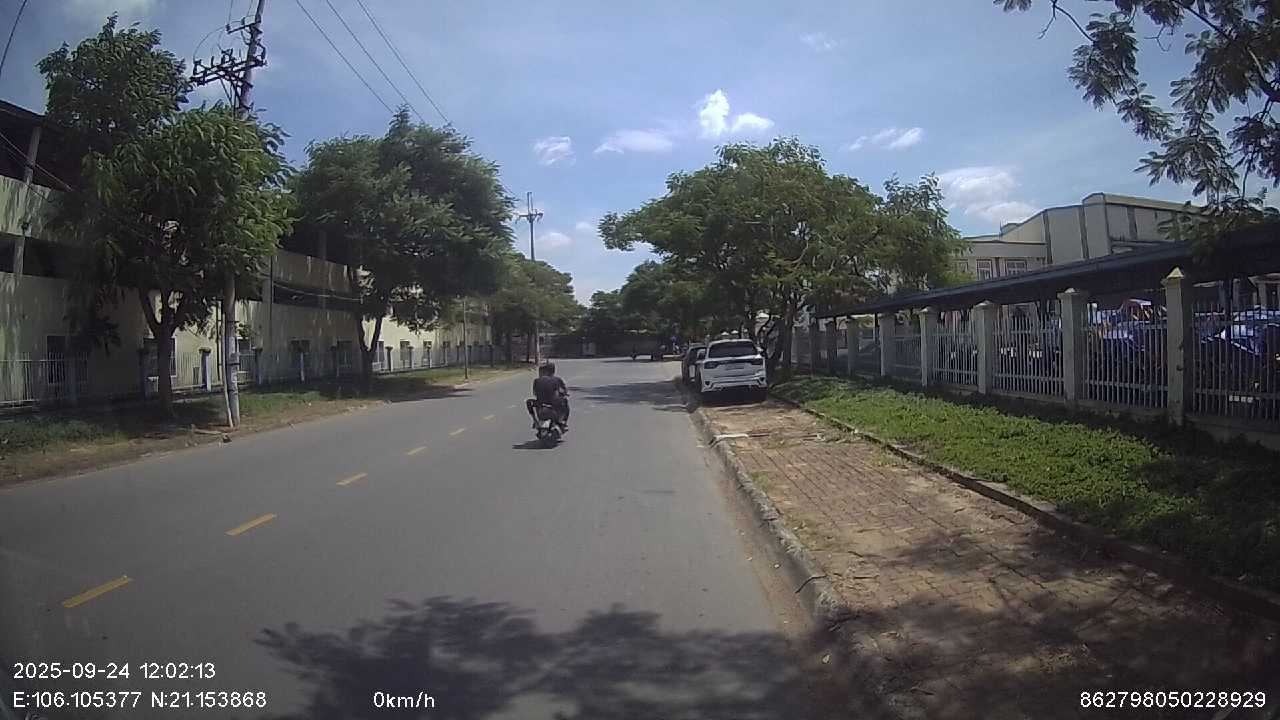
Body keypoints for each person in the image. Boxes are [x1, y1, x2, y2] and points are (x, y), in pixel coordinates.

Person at [529, 362, 569, 430]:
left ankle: (535, 420)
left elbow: (534, 393)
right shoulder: (557, 379)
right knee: (565, 401)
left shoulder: (536, 380)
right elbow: (563, 391)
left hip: (540, 405)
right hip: (553, 404)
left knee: (529, 402)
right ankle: (563, 422)